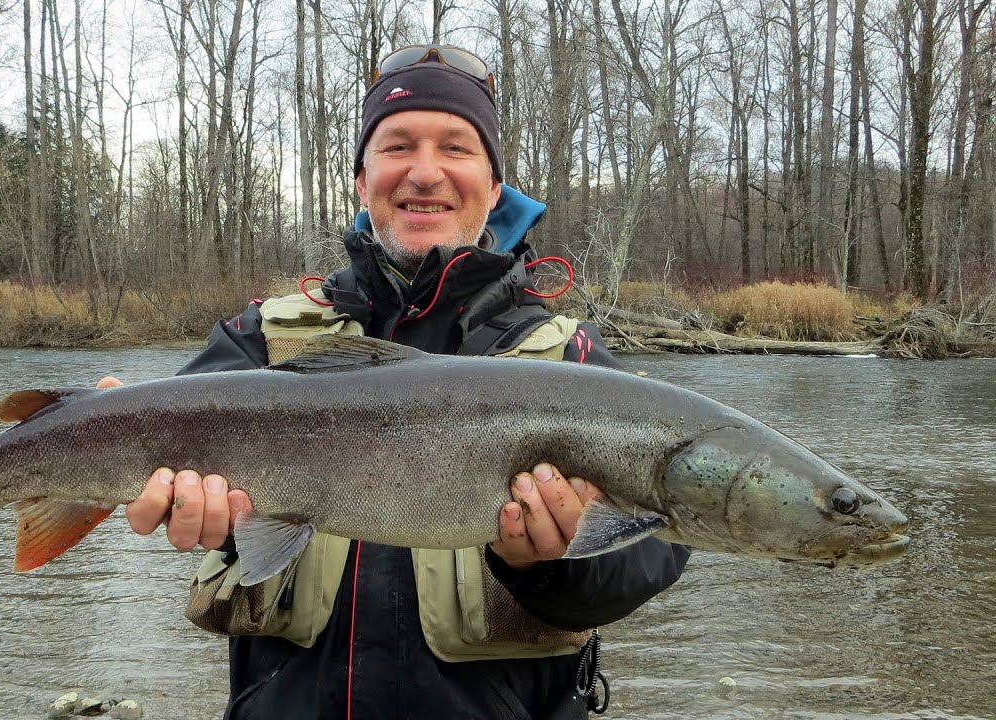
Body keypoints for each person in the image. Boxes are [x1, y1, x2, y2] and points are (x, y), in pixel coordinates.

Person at [102, 45, 691, 720]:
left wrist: (549, 564)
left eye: (457, 148)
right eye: (398, 145)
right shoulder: (258, 341)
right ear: (362, 180)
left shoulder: (568, 358)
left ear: (495, 188)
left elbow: (657, 554)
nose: (425, 171)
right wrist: (198, 513)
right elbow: (169, 480)